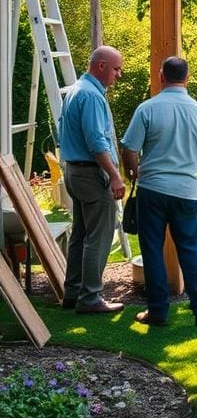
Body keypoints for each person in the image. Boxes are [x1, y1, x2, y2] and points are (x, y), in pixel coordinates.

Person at [120, 56, 197, 327]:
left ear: (161, 76)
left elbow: (129, 148)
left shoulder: (147, 109)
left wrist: (134, 172)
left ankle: (158, 311)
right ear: (187, 78)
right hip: (186, 191)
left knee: (152, 249)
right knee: (190, 249)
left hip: (152, 190)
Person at [59, 45, 125, 314]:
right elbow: (97, 142)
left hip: (73, 172)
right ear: (101, 66)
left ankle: (73, 293)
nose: (118, 75)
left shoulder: (75, 90)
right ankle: (90, 298)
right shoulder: (92, 96)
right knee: (99, 236)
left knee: (81, 234)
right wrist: (115, 176)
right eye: (116, 69)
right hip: (91, 174)